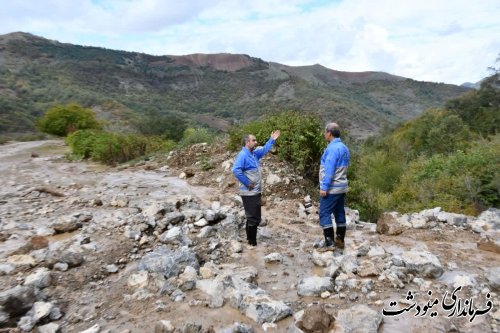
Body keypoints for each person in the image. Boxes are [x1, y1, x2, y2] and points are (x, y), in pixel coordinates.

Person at [232, 130, 281, 247]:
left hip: (255, 191)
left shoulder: (254, 154)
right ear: (247, 142)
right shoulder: (243, 155)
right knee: (254, 218)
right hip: (249, 192)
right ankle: (253, 243)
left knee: (252, 216)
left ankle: (249, 239)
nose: (256, 142)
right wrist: (247, 183)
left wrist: (272, 140)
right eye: (253, 140)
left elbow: (264, 149)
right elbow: (235, 170)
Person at [317, 123, 350, 251]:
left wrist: (324, 187)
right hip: (342, 186)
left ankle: (329, 243)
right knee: (339, 212)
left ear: (329, 133)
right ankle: (340, 240)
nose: (324, 134)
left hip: (332, 187)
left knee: (324, 213)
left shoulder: (332, 149)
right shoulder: (344, 148)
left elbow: (329, 170)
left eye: (325, 132)